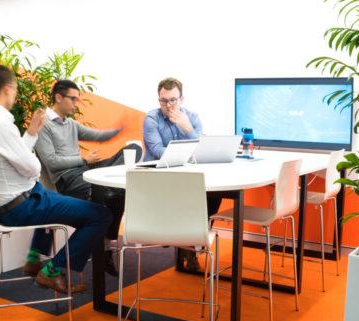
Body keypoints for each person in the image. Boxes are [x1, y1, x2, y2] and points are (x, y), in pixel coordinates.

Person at [0, 64, 112, 293]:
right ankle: (52, 271)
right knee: (101, 215)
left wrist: (31, 134)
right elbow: (32, 167)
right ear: (8, 88)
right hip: (22, 204)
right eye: (14, 90)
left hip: (9, 202)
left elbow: (15, 160)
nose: (15, 95)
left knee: (60, 200)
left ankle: (36, 260)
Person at [35, 80, 142, 277]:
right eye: (73, 98)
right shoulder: (44, 126)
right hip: (68, 180)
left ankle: (106, 244)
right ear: (58, 97)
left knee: (133, 150)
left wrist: (121, 128)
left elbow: (99, 136)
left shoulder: (71, 124)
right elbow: (50, 162)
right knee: (114, 194)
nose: (76, 103)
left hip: (85, 172)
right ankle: (106, 245)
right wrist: (82, 158)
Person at [143, 77, 222, 271]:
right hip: (159, 175)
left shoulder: (192, 117)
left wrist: (187, 127)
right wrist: (187, 155)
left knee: (213, 195)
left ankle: (194, 240)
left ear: (182, 99)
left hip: (185, 174)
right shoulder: (152, 118)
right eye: (164, 100)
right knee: (187, 195)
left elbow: (202, 148)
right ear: (158, 99)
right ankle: (187, 243)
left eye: (173, 100)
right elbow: (156, 150)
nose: (168, 105)